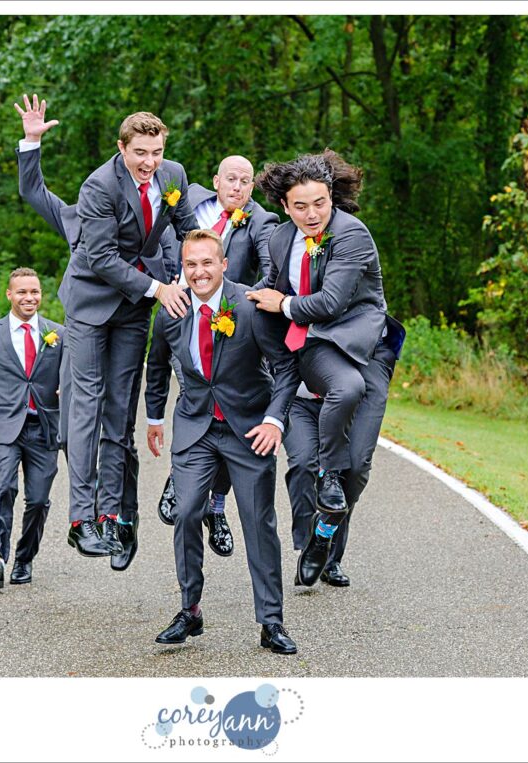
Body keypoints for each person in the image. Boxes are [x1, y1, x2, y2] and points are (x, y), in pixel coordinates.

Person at [16, 96, 198, 570]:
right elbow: (97, 256)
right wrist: (31, 143)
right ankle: (81, 519)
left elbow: (186, 229)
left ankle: (114, 516)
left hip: (135, 306)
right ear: (122, 148)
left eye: (156, 152)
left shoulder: (173, 176)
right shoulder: (98, 188)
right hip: (91, 305)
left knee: (120, 411)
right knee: (86, 406)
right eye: (140, 153)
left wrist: (189, 273)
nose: (149, 162)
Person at [144, 230, 300, 654]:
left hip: (248, 428)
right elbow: (156, 366)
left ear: (224, 264)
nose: (199, 272)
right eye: (191, 265)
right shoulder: (172, 310)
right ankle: (189, 610)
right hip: (195, 426)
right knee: (185, 511)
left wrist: (274, 421)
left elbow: (287, 369)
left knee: (257, 522)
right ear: (183, 268)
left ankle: (271, 622)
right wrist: (155, 418)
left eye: (207, 263)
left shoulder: (249, 307)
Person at [246, 149, 388, 584]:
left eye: (320, 203)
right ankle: (323, 491)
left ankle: (325, 538)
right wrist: (217, 294)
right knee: (311, 454)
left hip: (363, 348)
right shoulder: (280, 239)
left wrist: (284, 305)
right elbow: (267, 289)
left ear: (331, 197)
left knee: (357, 466)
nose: (312, 215)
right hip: (315, 347)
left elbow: (329, 303)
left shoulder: (351, 235)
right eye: (301, 206)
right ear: (285, 206)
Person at [156, 155, 280, 558]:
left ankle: (217, 504)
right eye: (231, 179)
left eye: (245, 181)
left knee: (227, 407)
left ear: (252, 187)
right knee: (197, 395)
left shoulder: (262, 221)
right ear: (216, 181)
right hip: (183, 314)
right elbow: (160, 233)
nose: (237, 187)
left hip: (230, 322)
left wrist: (240, 301)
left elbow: (271, 270)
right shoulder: (189, 199)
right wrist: (167, 284)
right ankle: (183, 478)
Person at [0, 267, 66, 589]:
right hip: (5, 428)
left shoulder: (57, 334)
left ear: (41, 295)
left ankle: (24, 557)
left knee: (38, 500)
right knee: (3, 486)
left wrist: (68, 388)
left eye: (34, 292)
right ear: (9, 295)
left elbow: (74, 375)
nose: (29, 298)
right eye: (22, 292)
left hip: (44, 428)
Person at [284, 315, 405, 587]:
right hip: (300, 401)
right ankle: (309, 545)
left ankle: (328, 551)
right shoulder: (289, 296)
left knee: (349, 471)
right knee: (303, 462)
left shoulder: (359, 314)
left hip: (345, 400)